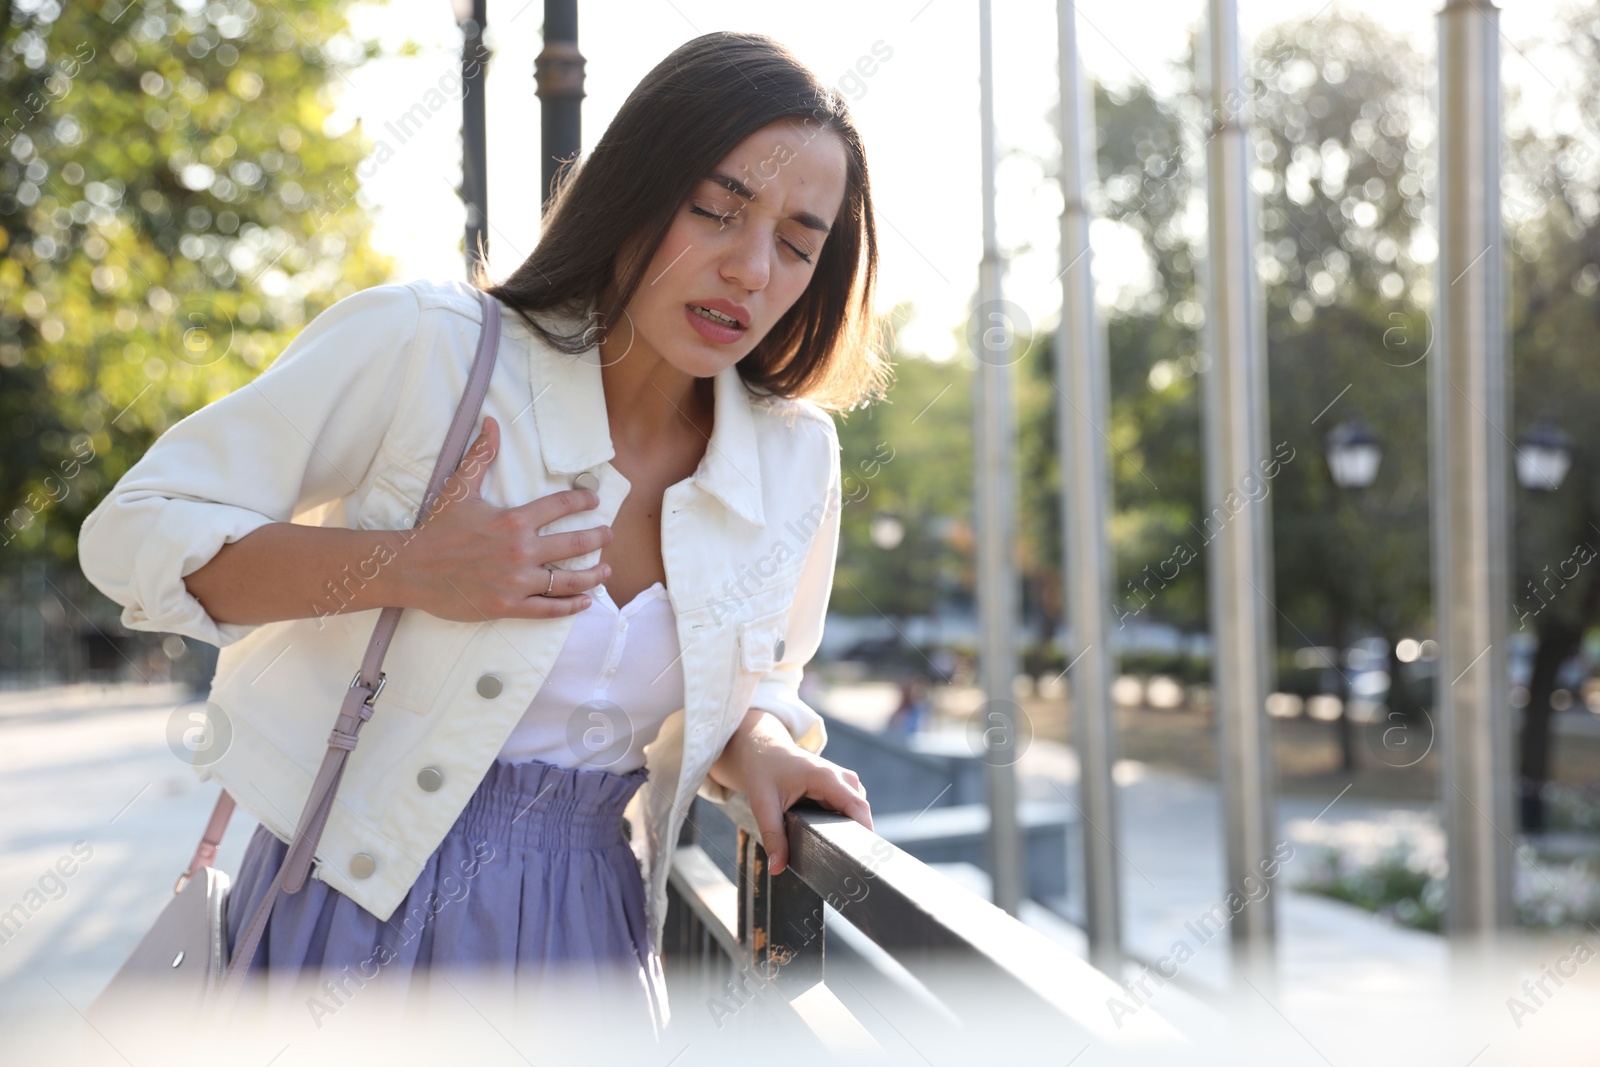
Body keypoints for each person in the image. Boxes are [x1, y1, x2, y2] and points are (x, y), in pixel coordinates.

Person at [76, 30, 887, 1048]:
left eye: (798, 243)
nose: (750, 267)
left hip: (591, 935)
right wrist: (406, 568)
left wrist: (760, 740)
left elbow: (761, 672)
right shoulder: (429, 348)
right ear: (634, 190)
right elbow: (134, 535)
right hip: (355, 906)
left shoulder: (792, 459)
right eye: (717, 210)